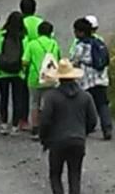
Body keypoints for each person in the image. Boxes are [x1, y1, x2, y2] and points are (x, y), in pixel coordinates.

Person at [39, 59, 98, 194]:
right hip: (78, 141)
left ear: (58, 78)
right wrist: (82, 132)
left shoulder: (51, 97)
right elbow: (93, 121)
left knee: (55, 175)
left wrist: (44, 138)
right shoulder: (86, 96)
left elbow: (45, 120)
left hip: (57, 142)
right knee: (75, 175)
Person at [69, 17, 112, 140]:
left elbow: (73, 62)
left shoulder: (80, 46)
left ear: (81, 32)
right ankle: (107, 128)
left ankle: (86, 127)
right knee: (102, 104)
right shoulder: (99, 42)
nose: (75, 33)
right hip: (101, 80)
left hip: (86, 82)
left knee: (85, 106)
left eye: (76, 31)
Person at [24, 21, 62, 136]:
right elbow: (58, 59)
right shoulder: (54, 44)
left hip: (35, 77)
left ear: (38, 32)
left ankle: (35, 127)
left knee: (34, 102)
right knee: (47, 103)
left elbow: (25, 61)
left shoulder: (32, 44)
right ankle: (46, 127)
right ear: (51, 32)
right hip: (50, 77)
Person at [0, 11, 28, 135]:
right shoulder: (24, 37)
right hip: (18, 73)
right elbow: (25, 57)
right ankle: (15, 126)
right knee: (17, 99)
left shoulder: (1, 35)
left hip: (2, 72)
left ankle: (4, 124)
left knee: (3, 98)